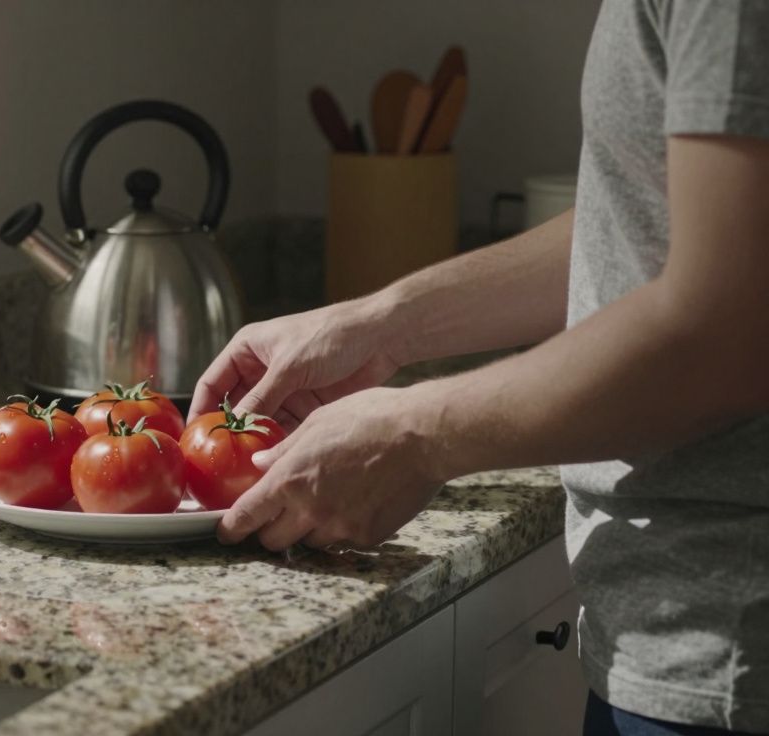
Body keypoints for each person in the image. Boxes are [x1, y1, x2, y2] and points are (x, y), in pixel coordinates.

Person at [190, 1, 769, 734]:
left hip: (729, 647)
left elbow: (726, 333)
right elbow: (643, 221)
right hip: (685, 634)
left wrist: (416, 434)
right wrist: (385, 322)